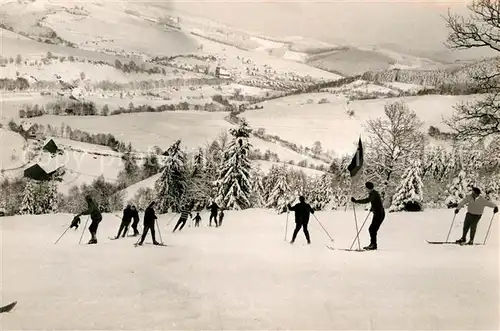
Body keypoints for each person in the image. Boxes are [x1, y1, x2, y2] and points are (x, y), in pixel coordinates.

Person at [351, 182, 385, 250]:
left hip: (379, 214)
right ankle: (373, 245)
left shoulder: (373, 194)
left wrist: (356, 201)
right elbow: (377, 202)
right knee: (372, 229)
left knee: (372, 229)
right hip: (378, 213)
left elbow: (367, 200)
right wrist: (373, 208)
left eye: (366, 187)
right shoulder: (373, 193)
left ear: (368, 188)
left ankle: (373, 245)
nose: (365, 189)